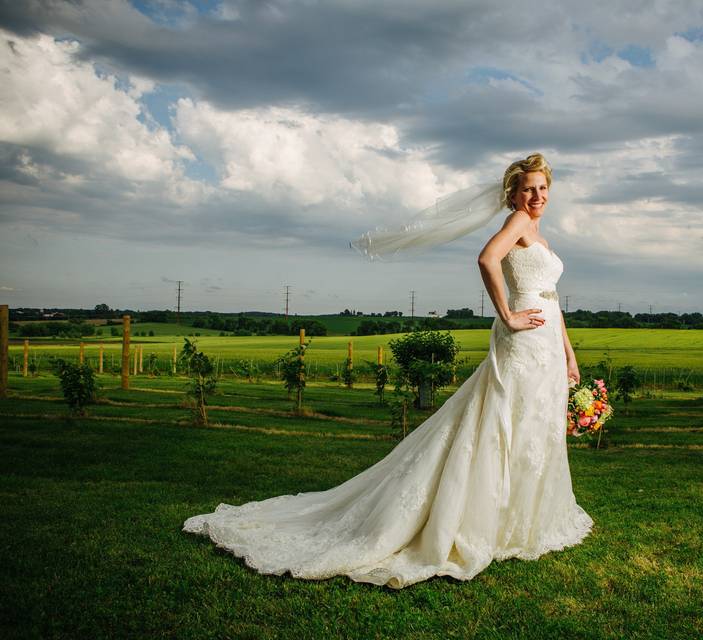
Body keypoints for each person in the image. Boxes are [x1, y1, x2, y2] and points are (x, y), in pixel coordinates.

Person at [182, 153, 594, 589]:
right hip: (524, 339)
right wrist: (508, 315)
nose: (537, 196)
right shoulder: (516, 224)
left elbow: (551, 298)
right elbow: (486, 259)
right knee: (505, 422)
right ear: (512, 194)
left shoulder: (539, 235)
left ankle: (521, 518)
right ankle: (482, 521)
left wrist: (568, 354)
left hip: (546, 341)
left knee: (534, 426)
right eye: (528, 188)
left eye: (543, 188)